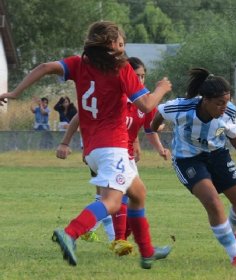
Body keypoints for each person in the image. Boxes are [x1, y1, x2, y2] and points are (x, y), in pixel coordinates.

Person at [0, 21, 172, 269]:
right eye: (121, 44)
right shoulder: (122, 69)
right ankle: (70, 233)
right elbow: (146, 105)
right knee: (113, 201)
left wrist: (15, 92)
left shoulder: (78, 64)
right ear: (110, 45)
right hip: (112, 147)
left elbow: (45, 67)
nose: (123, 49)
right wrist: (161, 89)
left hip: (93, 148)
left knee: (138, 194)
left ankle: (146, 252)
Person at [56, 56, 171, 257]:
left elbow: (149, 128)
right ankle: (108, 238)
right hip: (110, 152)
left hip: (117, 154)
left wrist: (156, 147)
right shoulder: (117, 96)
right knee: (117, 199)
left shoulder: (140, 100)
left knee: (131, 195)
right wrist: (65, 143)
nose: (140, 81)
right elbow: (80, 116)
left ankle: (141, 249)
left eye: (143, 76)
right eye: (137, 76)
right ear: (126, 75)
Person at [151, 67, 236, 268]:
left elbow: (233, 135)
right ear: (205, 100)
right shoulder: (181, 108)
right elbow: (157, 116)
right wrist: (156, 128)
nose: (224, 107)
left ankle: (233, 232)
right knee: (212, 201)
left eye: (226, 102)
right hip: (188, 160)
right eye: (219, 103)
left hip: (217, 155)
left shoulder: (229, 110)